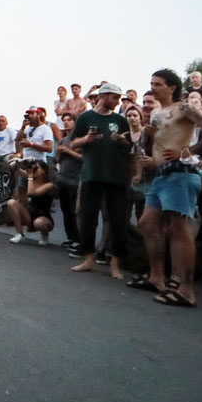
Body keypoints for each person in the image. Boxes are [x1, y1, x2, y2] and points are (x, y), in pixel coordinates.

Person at [133, 69, 202, 308]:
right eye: (151, 83)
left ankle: (186, 290)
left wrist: (188, 151)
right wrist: (148, 139)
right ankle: (157, 277)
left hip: (181, 174)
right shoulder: (157, 112)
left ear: (172, 87)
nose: (153, 88)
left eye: (158, 84)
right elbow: (154, 144)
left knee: (179, 229)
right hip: (161, 175)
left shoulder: (184, 108)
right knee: (147, 223)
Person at [67, 83, 131, 280]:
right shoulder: (85, 118)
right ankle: (88, 259)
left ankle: (115, 264)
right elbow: (73, 143)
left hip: (116, 176)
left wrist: (123, 142)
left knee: (118, 220)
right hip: (91, 174)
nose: (118, 102)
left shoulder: (120, 120)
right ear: (103, 96)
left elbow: (129, 147)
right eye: (115, 97)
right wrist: (86, 139)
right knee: (88, 218)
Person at [6, 158, 54, 245]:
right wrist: (20, 161)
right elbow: (13, 167)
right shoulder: (31, 178)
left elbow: (32, 193)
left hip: (44, 217)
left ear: (44, 171)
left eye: (36, 168)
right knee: (11, 203)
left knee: (39, 223)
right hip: (30, 214)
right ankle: (19, 233)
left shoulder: (49, 185)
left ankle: (45, 235)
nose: (34, 170)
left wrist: (30, 176)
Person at [54, 113, 83, 253]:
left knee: (74, 211)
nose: (66, 123)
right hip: (63, 179)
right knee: (65, 210)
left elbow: (84, 158)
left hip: (75, 180)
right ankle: (70, 237)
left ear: (75, 122)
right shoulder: (62, 140)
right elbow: (58, 160)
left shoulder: (80, 139)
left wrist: (69, 151)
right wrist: (60, 153)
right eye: (64, 120)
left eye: (69, 120)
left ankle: (78, 239)